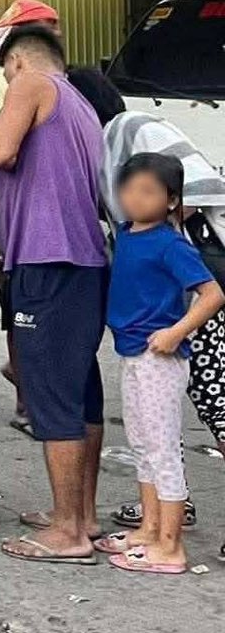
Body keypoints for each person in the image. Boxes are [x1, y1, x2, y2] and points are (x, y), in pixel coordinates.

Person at [68, 66, 225, 559]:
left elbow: (201, 191)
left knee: (214, 410)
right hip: (148, 338)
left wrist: (177, 327)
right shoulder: (111, 165)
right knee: (153, 438)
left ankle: (169, 540)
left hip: (186, 309)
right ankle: (157, 524)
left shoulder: (127, 131)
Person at [0, 25, 109, 564]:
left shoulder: (29, 80)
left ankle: (67, 531)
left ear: (16, 62)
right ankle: (83, 513)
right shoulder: (81, 101)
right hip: (85, 259)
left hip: (46, 257)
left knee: (51, 392)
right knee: (82, 389)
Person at [94, 154, 223, 575]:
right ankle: (149, 530)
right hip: (132, 353)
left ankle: (171, 545)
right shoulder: (128, 234)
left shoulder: (172, 244)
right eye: (128, 188)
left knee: (163, 451)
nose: (134, 198)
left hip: (158, 358)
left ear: (171, 200)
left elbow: (212, 294)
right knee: (142, 447)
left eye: (147, 191)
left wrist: (176, 332)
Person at [0, 0, 61, 437]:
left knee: (30, 307)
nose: (54, 34)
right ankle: (28, 399)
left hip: (34, 210)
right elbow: (2, 146)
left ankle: (30, 382)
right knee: (16, 310)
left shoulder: (47, 81)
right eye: (45, 26)